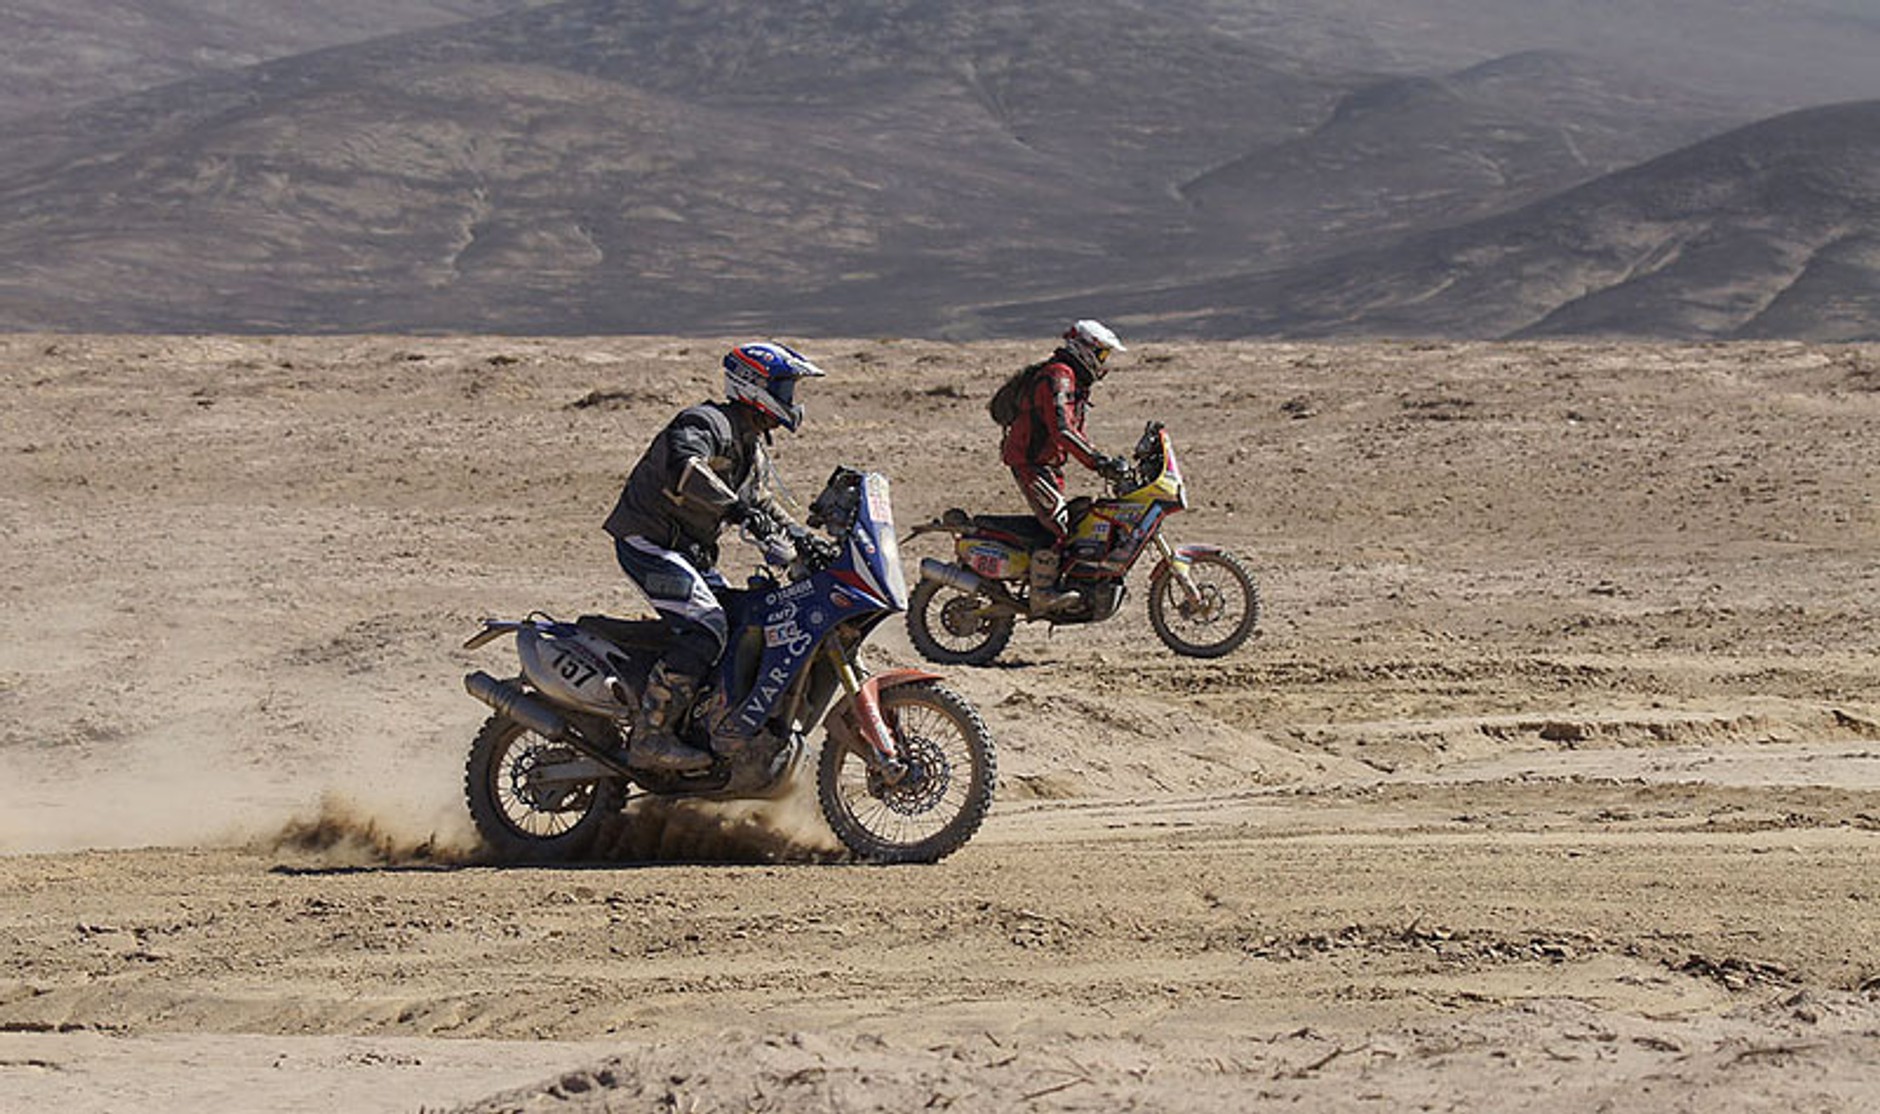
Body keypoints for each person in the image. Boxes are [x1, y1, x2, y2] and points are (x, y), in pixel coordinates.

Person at [602, 342, 826, 772]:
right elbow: (687, 467)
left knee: (746, 620)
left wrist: (802, 538)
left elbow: (762, 506)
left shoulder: (751, 446)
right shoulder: (705, 422)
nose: (790, 399)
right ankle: (652, 735)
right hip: (649, 543)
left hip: (691, 554)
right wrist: (734, 509)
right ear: (755, 386)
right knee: (706, 626)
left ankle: (703, 723)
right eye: (783, 387)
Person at [998, 319, 1132, 616]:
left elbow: (1070, 430)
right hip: (1030, 462)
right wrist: (1098, 462)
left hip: (1047, 464)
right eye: (1102, 355)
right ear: (1085, 350)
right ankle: (1043, 594)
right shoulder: (1059, 377)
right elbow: (1063, 431)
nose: (1103, 363)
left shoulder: (1071, 378)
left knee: (1075, 521)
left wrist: (1101, 459)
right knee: (1057, 524)